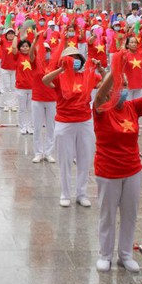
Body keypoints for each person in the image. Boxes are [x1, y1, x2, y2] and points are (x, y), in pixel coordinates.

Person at [92, 56, 142, 273]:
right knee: (108, 213)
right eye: (119, 87)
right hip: (108, 170)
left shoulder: (132, 107)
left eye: (126, 86)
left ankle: (125, 255)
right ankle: (104, 255)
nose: (124, 91)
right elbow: (100, 94)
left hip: (132, 169)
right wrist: (116, 69)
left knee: (130, 213)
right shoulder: (102, 109)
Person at [43, 47, 103, 208]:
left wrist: (101, 68)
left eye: (76, 58)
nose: (74, 61)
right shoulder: (60, 78)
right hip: (64, 122)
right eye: (70, 58)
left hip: (84, 122)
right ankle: (65, 193)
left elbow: (105, 83)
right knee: (65, 160)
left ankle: (82, 193)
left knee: (85, 158)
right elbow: (45, 81)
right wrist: (61, 68)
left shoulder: (87, 76)